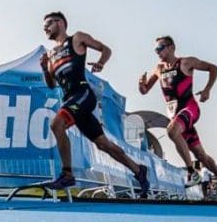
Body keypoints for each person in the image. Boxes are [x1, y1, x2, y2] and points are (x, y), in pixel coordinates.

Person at [40, 11, 149, 198]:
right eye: (43, 27)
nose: (45, 29)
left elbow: (106, 49)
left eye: (48, 24)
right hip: (69, 99)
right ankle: (138, 170)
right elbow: (51, 85)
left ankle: (67, 174)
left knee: (56, 124)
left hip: (83, 94)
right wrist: (44, 69)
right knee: (103, 144)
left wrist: (100, 63)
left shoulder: (77, 38)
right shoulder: (49, 55)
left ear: (60, 23)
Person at [138, 35, 217, 188]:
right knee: (201, 155)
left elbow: (214, 68)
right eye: (155, 49)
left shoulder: (186, 62)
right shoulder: (159, 69)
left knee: (171, 130)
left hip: (190, 109)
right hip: (177, 117)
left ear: (171, 48)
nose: (157, 52)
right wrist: (141, 84)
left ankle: (192, 173)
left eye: (160, 48)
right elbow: (145, 90)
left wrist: (207, 89)